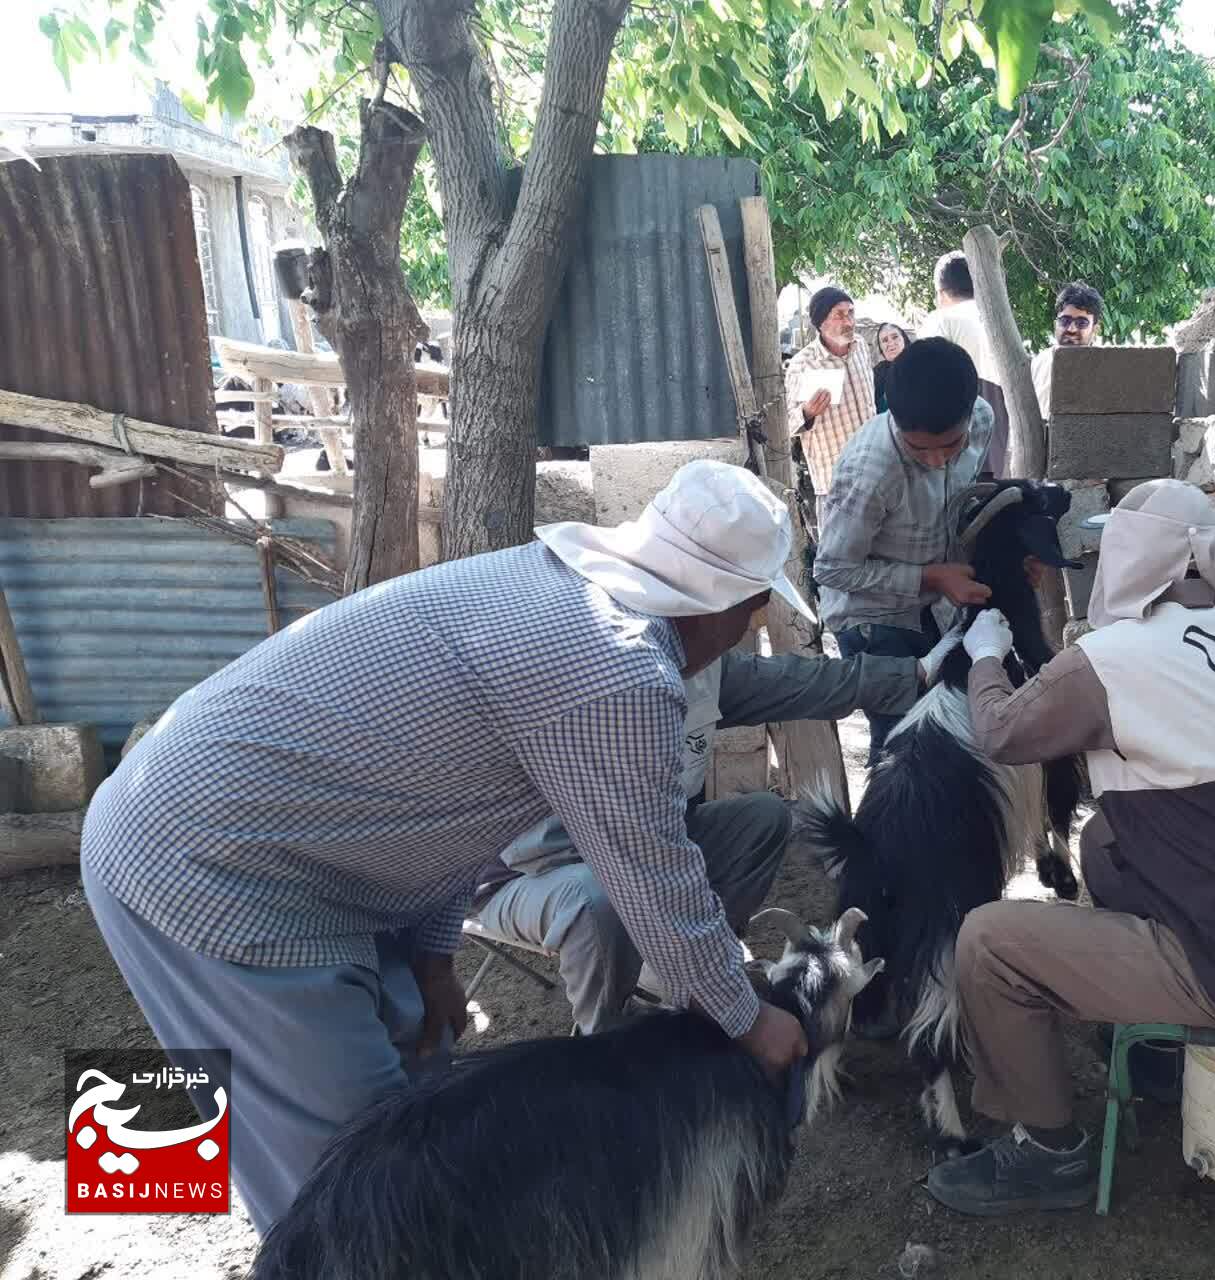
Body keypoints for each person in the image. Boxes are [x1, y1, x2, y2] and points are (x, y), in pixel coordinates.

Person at [81, 460, 819, 1237]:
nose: (751, 627)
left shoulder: (548, 584)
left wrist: (434, 955)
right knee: (355, 1186)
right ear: (729, 604)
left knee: (418, 1102)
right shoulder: (619, 670)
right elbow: (653, 879)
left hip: (287, 848)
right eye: (757, 607)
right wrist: (747, 1017)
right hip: (208, 864)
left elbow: (456, 803)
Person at [924, 479, 1215, 1217]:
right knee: (1104, 840)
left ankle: (1047, 1153)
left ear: (1130, 559)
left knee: (990, 941)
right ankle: (1163, 1057)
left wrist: (983, 656)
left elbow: (1000, 734)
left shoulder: (1108, 658)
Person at [469, 627, 962, 1032]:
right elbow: (555, 845)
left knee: (764, 818)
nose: (747, 620)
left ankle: (690, 986)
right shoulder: (582, 673)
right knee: (592, 898)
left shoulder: (704, 660)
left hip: (649, 842)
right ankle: (605, 1042)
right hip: (532, 874)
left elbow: (799, 681)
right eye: (739, 603)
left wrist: (914, 671)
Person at [813, 337, 995, 761]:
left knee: (946, 738)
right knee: (899, 749)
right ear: (892, 415)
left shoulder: (982, 420)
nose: (936, 461)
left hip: (934, 606)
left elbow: (967, 501)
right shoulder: (870, 471)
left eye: (951, 446)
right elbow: (832, 570)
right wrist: (933, 576)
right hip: (871, 618)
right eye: (919, 449)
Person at [920, 251, 1010, 476]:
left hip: (957, 423)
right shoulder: (998, 319)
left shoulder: (941, 320)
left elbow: (922, 383)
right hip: (1001, 424)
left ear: (940, 291)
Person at [784, 285, 877, 501]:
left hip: (876, 471)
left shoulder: (861, 346)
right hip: (836, 481)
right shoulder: (803, 364)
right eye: (840, 315)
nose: (849, 322)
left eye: (851, 313)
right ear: (821, 322)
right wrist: (807, 412)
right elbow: (784, 424)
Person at [1031, 280, 1104, 421]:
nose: (1071, 329)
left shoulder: (1103, 367)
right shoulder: (1039, 363)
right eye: (1065, 321)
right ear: (1055, 324)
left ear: (1095, 329)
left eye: (1081, 323)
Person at [872, 322, 909, 414]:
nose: (891, 343)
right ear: (881, 348)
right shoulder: (877, 373)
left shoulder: (920, 362)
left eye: (895, 337)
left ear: (904, 339)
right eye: (885, 340)